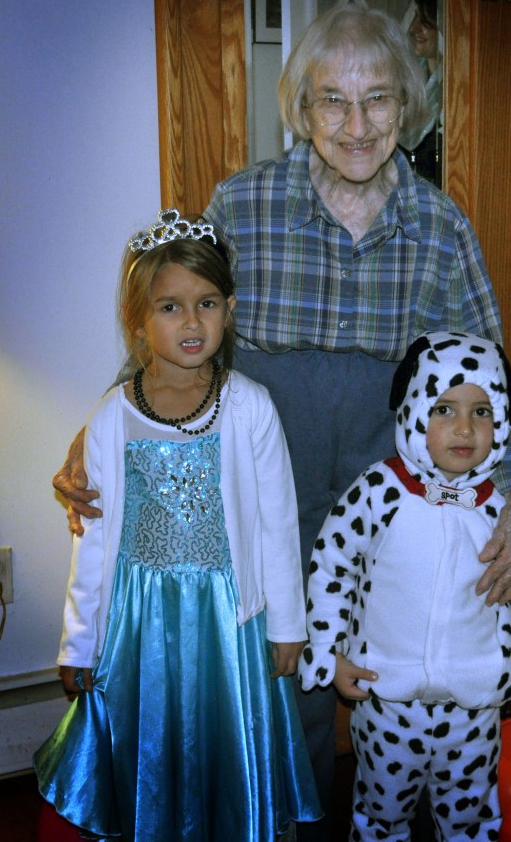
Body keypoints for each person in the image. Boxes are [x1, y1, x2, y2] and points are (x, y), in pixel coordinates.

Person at [53, 6, 511, 840]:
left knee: (399, 661)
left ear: (407, 106)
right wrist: (103, 429)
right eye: (333, 101)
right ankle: (293, 822)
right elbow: (181, 328)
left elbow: (487, 370)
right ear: (301, 108)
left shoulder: (440, 225)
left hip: (392, 493)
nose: (357, 125)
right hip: (269, 482)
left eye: (378, 99)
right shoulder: (243, 205)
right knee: (287, 675)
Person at [35, 210, 321, 840]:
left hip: (229, 620)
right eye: (170, 307)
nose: (191, 322)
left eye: (206, 304)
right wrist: (79, 642)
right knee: (153, 743)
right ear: (137, 320)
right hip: (142, 620)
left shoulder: (250, 407)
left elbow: (277, 525)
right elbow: (94, 538)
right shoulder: (112, 417)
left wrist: (287, 627)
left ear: (229, 310)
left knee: (224, 741)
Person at [300, 331, 511, 841]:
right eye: (444, 410)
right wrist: (329, 652)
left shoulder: (498, 509)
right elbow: (331, 567)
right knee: (381, 816)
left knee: (472, 817)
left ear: (501, 422)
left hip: (475, 703)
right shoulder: (378, 491)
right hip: (387, 699)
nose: (465, 428)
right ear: (414, 411)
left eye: (481, 412)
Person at [400, 0, 443, 185]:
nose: (413, 29)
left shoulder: (457, 89)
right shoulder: (406, 79)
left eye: (424, 20)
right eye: (416, 17)